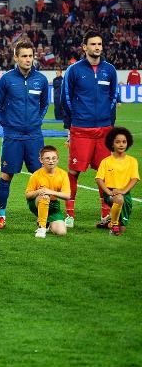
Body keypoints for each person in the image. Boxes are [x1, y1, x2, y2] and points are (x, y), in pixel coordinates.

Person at [61, 30, 118, 228]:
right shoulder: (74, 70)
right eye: (93, 44)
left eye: (100, 44)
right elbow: (65, 99)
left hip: (104, 130)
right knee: (74, 171)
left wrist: (108, 123)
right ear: (84, 47)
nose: (97, 48)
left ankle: (106, 214)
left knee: (105, 173)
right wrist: (72, 123)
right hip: (81, 129)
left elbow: (113, 97)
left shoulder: (109, 70)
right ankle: (69, 215)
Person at [0, 39, 49, 229]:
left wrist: (37, 121)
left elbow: (44, 104)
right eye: (23, 56)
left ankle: (43, 216)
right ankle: (1, 216)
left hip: (34, 136)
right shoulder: (6, 79)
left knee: (40, 177)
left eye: (30, 56)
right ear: (16, 57)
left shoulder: (40, 79)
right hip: (13, 136)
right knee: (6, 175)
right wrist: (7, 125)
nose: (27, 59)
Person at [95, 127, 138, 236]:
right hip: (110, 192)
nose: (121, 144)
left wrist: (124, 191)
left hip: (125, 193)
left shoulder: (132, 161)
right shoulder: (106, 161)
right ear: (112, 144)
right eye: (117, 142)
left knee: (123, 228)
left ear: (128, 143)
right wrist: (108, 192)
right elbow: (99, 179)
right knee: (118, 199)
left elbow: (134, 179)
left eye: (124, 142)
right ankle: (113, 226)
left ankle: (108, 222)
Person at [25, 145, 70, 238]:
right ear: (41, 160)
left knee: (62, 232)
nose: (51, 161)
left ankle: (48, 224)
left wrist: (50, 192)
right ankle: (42, 227)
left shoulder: (63, 174)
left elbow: (67, 196)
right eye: (47, 158)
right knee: (44, 196)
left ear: (58, 159)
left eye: (54, 158)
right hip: (37, 203)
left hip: (53, 206)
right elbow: (28, 195)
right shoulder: (36, 175)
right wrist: (40, 191)